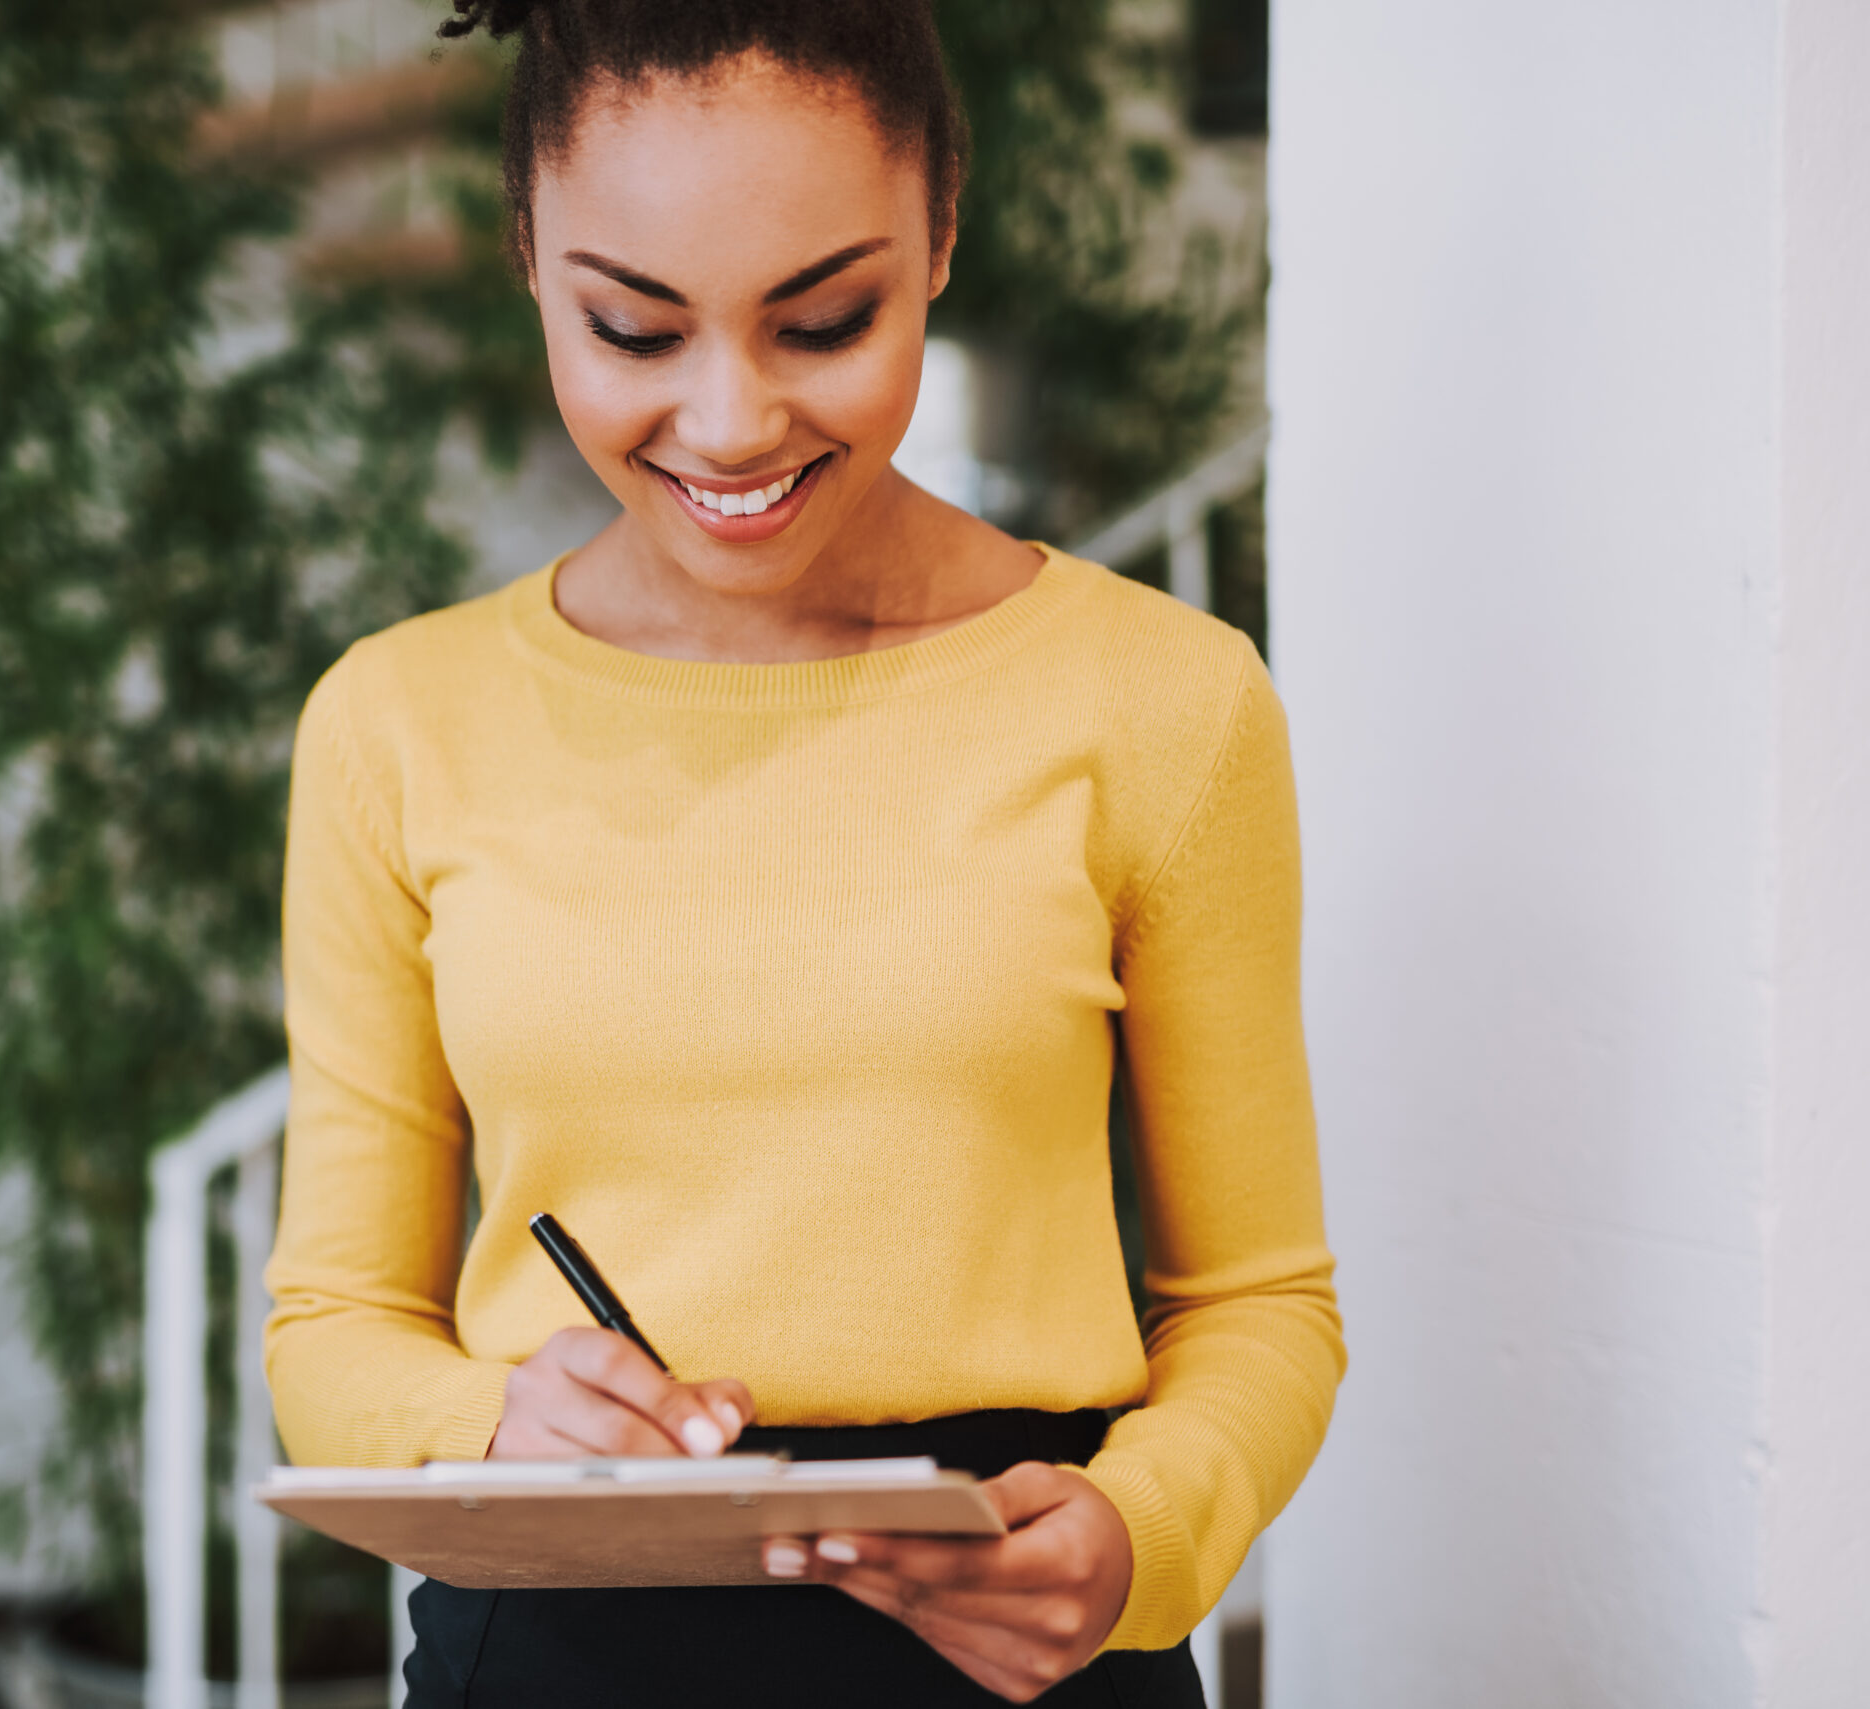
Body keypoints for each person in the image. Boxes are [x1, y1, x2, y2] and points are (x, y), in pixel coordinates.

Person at [263, 2, 1344, 1703]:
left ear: (940, 242)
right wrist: (491, 1422)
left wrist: (1142, 1535)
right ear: (530, 259)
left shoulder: (1162, 701)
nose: (731, 420)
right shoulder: (397, 723)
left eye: (824, 320)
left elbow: (1262, 1299)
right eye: (635, 328)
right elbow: (332, 1324)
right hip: (558, 1647)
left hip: (1020, 1641)